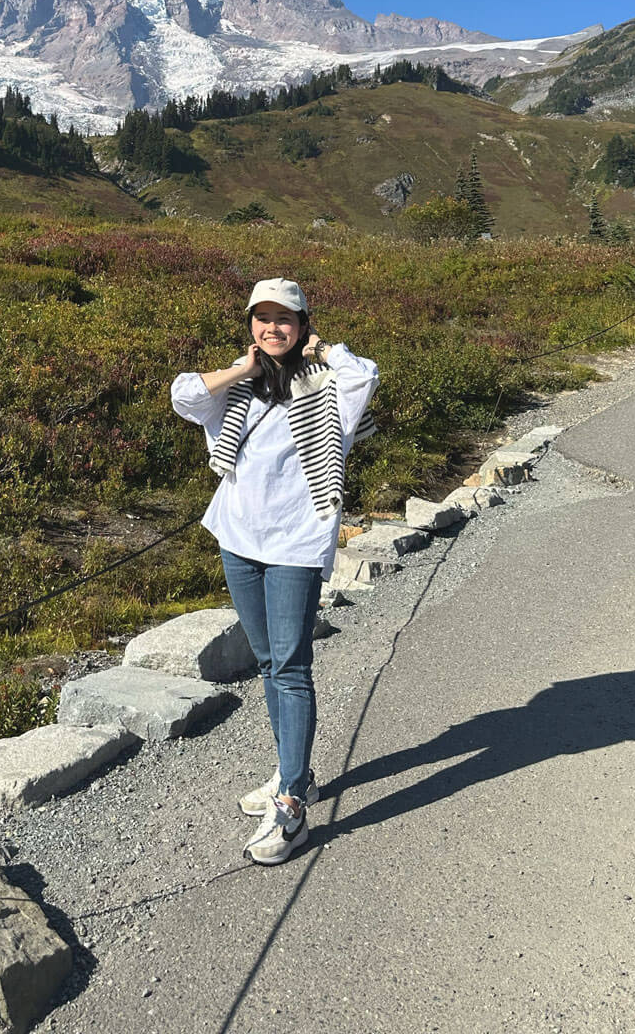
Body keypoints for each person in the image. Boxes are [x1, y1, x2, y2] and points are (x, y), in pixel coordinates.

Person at [171, 278, 379, 864]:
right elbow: (185, 396)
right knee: (267, 661)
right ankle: (298, 770)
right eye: (262, 318)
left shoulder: (332, 384)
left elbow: (366, 374)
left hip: (295, 542)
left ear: (304, 322)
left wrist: (323, 351)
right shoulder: (240, 389)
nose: (273, 328)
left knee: (290, 666)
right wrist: (243, 368)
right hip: (238, 539)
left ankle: (290, 804)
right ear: (250, 325)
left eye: (284, 319)